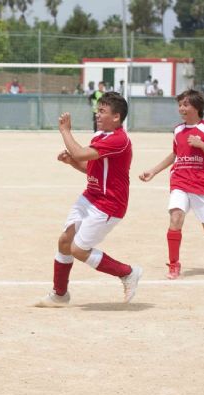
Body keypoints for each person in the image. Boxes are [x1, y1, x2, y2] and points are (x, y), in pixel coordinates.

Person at [38, 92, 143, 307]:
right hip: (90, 197)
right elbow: (90, 168)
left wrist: (65, 131)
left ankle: (128, 273)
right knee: (65, 241)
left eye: (102, 111)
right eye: (97, 110)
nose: (97, 114)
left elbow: (79, 152)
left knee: (78, 250)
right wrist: (71, 162)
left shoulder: (119, 139)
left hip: (109, 204)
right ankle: (60, 295)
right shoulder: (100, 136)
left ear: (116, 117)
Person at [139, 89, 204, 280]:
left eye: (185, 104)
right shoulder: (178, 130)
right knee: (176, 218)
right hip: (179, 181)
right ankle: (174, 264)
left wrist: (202, 145)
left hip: (202, 185)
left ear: (197, 107)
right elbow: (175, 154)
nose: (181, 108)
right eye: (179, 105)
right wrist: (154, 171)